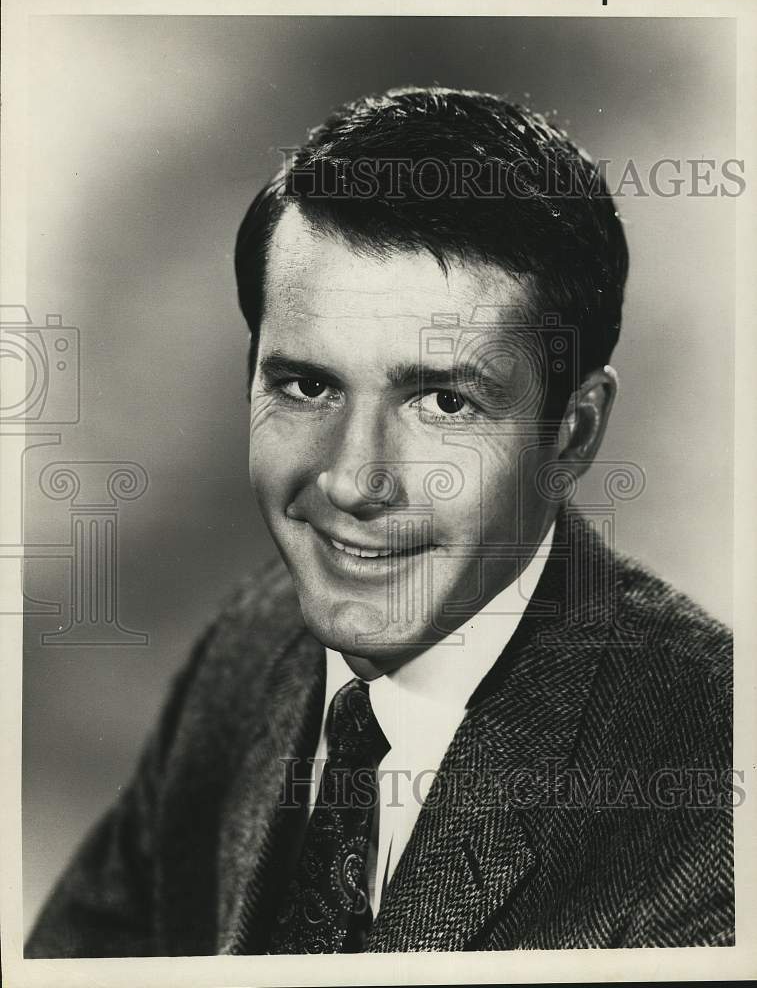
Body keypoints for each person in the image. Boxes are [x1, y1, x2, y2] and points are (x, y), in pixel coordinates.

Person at [26, 86, 734, 956]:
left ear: (573, 433)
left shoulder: (712, 797)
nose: (353, 481)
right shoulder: (247, 647)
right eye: (307, 386)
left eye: (443, 402)